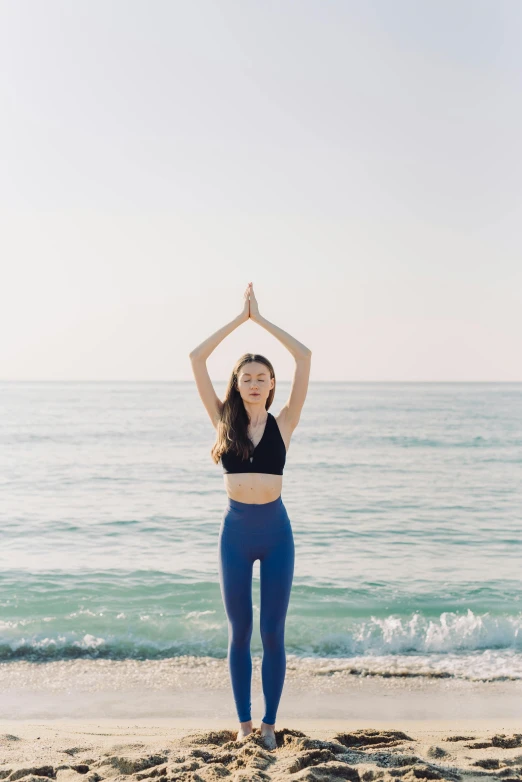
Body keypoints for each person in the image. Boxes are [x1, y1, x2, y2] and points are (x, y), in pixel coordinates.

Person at [189, 282, 311, 749]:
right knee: (240, 631)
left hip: (276, 533)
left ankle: (269, 726)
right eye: (247, 378)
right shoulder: (223, 419)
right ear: (237, 385)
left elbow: (305, 357)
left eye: (262, 377)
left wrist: (261, 321)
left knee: (273, 632)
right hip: (235, 533)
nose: (255, 383)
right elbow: (196, 359)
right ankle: (242, 727)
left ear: (272, 384)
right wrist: (238, 322)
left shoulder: (285, 421)